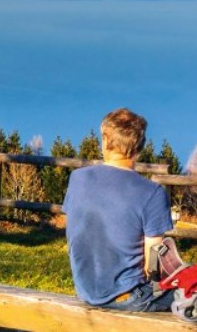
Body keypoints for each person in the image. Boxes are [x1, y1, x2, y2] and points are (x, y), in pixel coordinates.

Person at [62, 108, 174, 311]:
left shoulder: (77, 178)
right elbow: (153, 265)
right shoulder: (152, 192)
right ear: (139, 146)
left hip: (85, 292)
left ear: (105, 141)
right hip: (128, 298)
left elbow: (74, 232)